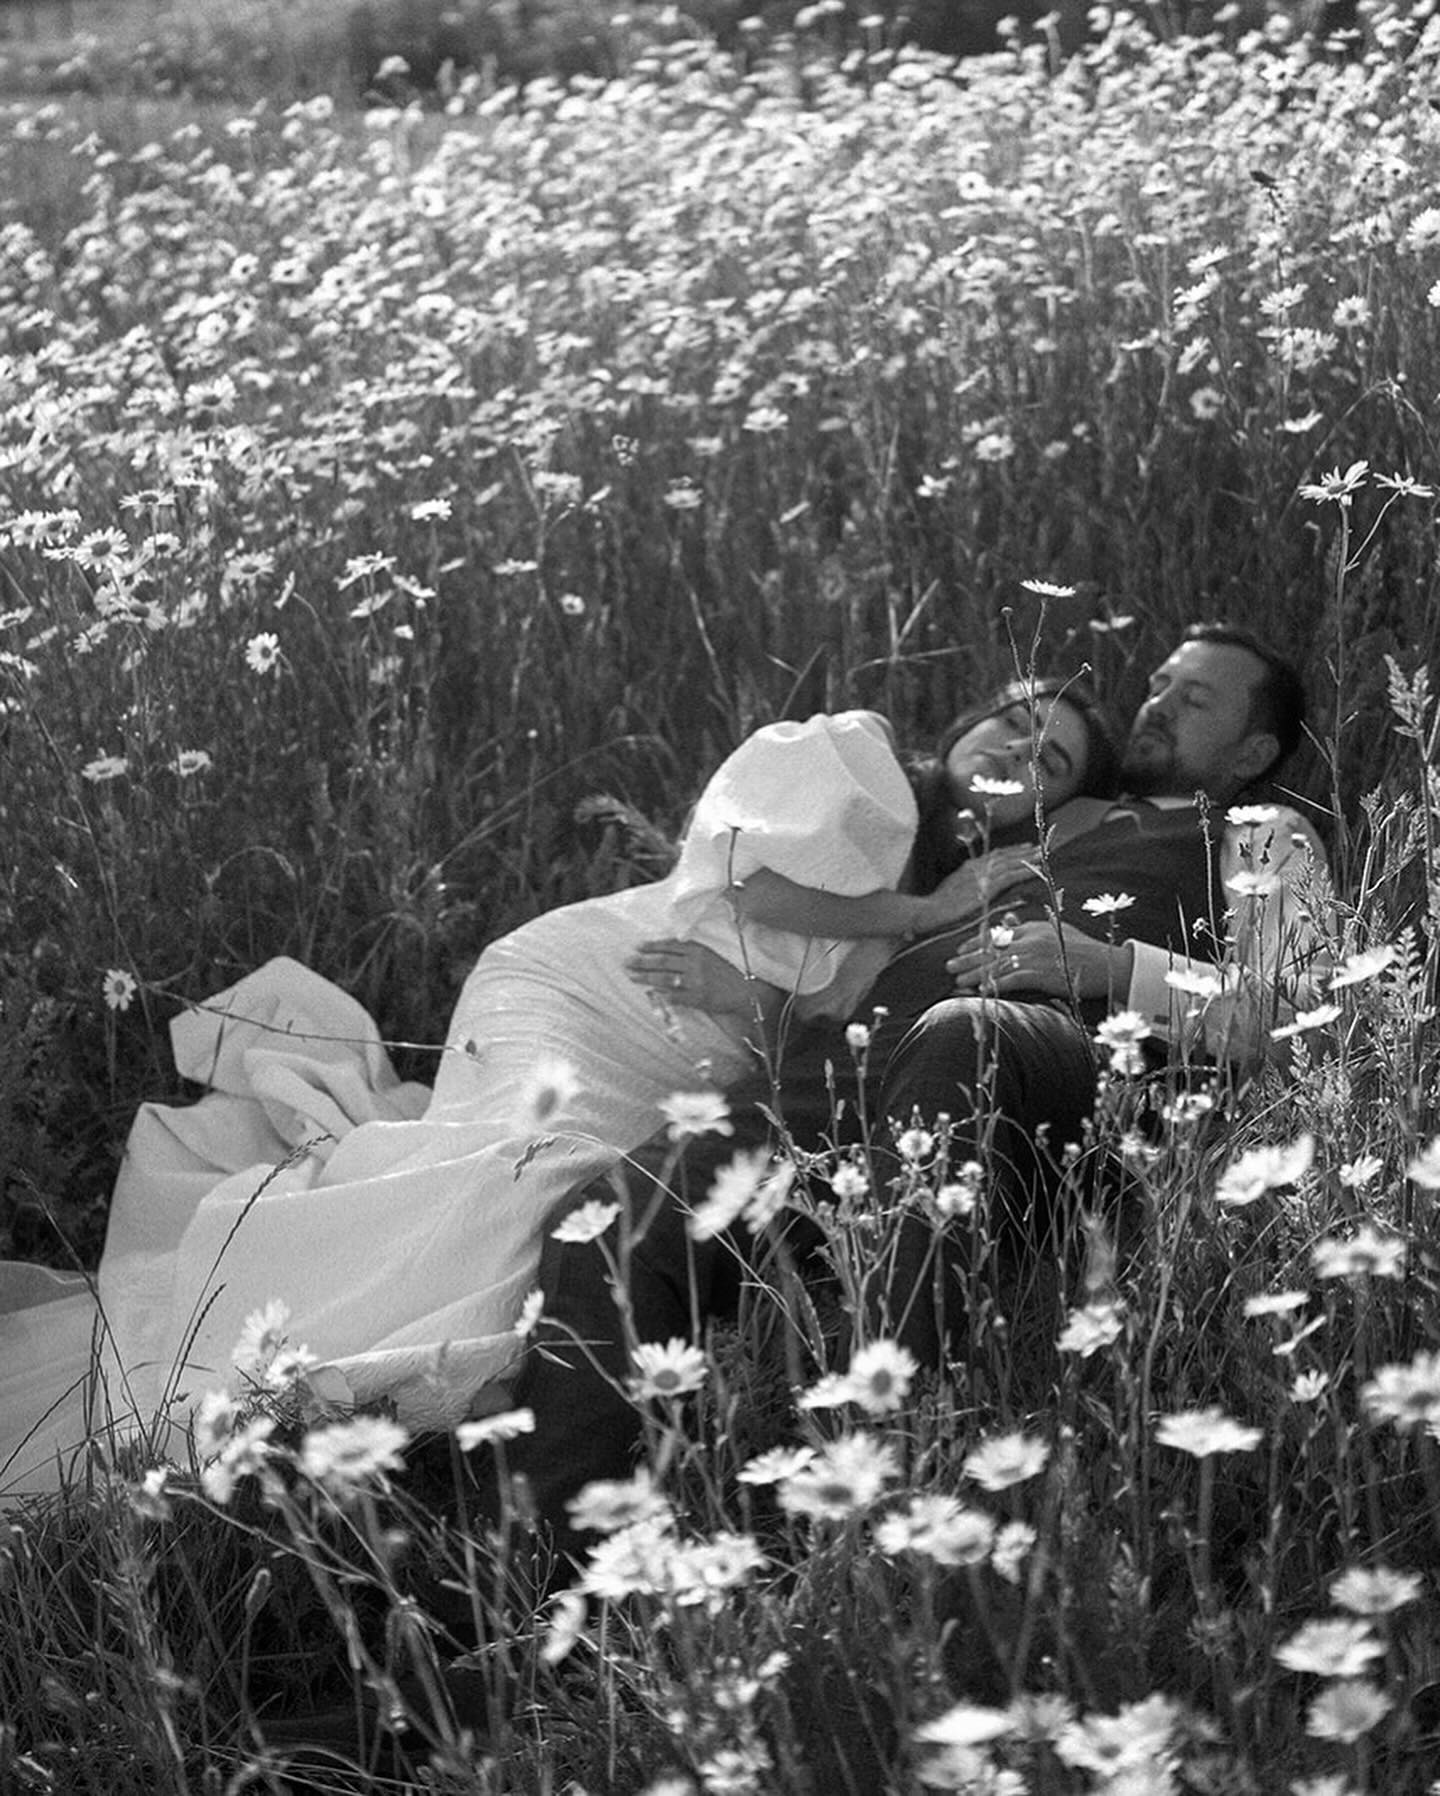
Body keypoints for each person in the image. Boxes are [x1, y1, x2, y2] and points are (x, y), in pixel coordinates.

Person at [0, 679, 1115, 1499]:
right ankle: (261, 1371)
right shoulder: (856, 755)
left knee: (576, 1218)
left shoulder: (954, 889)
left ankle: (390, 1409)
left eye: (1052, 759)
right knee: (514, 1180)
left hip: (685, 1053)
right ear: (967, 723)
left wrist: (766, 990)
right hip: (586, 986)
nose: (1020, 748)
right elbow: (734, 871)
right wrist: (922, 912)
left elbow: (794, 1046)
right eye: (1015, 719)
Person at [493, 623, 1332, 1549]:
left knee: (961, 1034)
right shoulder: (1026, 821)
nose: (1159, 703)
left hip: (1051, 1069)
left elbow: (1299, 1012)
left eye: (1196, 698)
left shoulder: (1261, 836)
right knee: (618, 1217)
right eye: (1162, 682)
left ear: (1252, 752)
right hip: (850, 1071)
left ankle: (871, 1496)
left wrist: (1108, 965)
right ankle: (545, 1592)